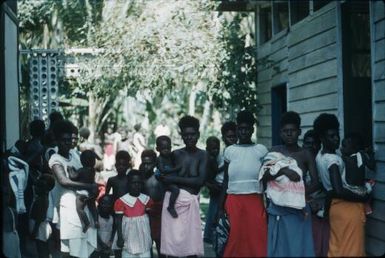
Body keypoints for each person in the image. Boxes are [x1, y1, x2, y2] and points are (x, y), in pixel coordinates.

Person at [314, 113, 369, 256]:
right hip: (347, 208)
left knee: (337, 249)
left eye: (337, 134)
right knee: (353, 250)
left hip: (334, 208)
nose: (336, 138)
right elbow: (338, 190)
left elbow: (329, 187)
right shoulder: (333, 160)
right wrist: (362, 198)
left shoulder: (320, 156)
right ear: (321, 138)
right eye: (331, 136)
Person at [217, 111, 268, 257]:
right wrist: (220, 207)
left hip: (255, 200)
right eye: (241, 128)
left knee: (257, 238)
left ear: (252, 129)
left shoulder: (261, 150)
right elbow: (226, 181)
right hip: (233, 201)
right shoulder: (230, 151)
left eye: (247, 128)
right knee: (235, 239)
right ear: (237, 129)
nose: (244, 131)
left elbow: (266, 180)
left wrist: (268, 205)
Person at [158, 115, 207, 257]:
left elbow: (199, 181)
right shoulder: (175, 154)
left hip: (190, 202)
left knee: (191, 249)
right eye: (186, 135)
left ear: (198, 134)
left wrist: (174, 178)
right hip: (172, 202)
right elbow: (164, 175)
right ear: (182, 136)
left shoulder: (203, 155)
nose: (189, 138)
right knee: (172, 248)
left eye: (192, 134)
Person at [49, 120, 98, 258]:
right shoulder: (55, 159)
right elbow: (64, 181)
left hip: (83, 201)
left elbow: (87, 173)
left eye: (69, 139)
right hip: (69, 206)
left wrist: (92, 189)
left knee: (85, 246)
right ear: (57, 140)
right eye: (63, 140)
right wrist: (89, 186)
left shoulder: (76, 155)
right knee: (73, 247)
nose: (67, 143)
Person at [113, 170, 153, 258]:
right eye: (133, 183)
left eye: (139, 183)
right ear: (128, 184)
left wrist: (151, 234)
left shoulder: (146, 200)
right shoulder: (121, 201)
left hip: (143, 235)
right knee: (128, 254)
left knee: (145, 254)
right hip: (128, 235)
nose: (136, 185)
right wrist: (120, 237)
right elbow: (118, 220)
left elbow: (150, 219)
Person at [303, 129, 329, 257]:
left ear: (319, 145)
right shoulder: (300, 163)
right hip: (303, 211)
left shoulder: (322, 162)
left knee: (320, 247)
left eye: (314, 143)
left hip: (321, 210)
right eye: (307, 143)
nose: (311, 146)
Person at [105, 150, 132, 258]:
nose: (121, 167)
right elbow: (107, 196)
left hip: (128, 212)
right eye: (119, 164)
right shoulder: (112, 180)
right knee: (115, 236)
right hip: (115, 211)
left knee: (127, 237)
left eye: (124, 165)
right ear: (115, 165)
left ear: (128, 166)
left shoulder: (130, 179)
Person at [341, 133, 375, 214]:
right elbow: (371, 166)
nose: (341, 148)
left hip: (352, 191)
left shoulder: (348, 158)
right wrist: (370, 154)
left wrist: (343, 154)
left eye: (344, 146)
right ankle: (367, 204)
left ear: (354, 147)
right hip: (360, 190)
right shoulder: (361, 155)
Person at [141, 149, 165, 258]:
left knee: (160, 242)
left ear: (155, 163)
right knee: (147, 243)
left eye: (149, 163)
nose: (146, 166)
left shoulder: (158, 178)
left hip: (158, 213)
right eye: (144, 163)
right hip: (145, 214)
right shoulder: (140, 178)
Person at [68, 150, 100, 233]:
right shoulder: (92, 171)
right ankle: (96, 220)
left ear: (82, 161)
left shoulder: (81, 170)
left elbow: (73, 177)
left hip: (82, 193)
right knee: (93, 207)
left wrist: (70, 170)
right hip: (90, 192)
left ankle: (86, 223)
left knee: (79, 209)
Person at [29, 174, 55, 258]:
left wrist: (35, 231)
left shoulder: (41, 200)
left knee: (41, 247)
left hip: (40, 226)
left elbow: (40, 217)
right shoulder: (42, 197)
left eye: (39, 187)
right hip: (41, 226)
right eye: (36, 186)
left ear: (46, 189)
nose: (35, 188)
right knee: (44, 245)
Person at [155, 135, 182, 218]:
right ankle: (170, 206)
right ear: (158, 149)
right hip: (164, 180)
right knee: (175, 190)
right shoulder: (160, 159)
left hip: (170, 178)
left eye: (168, 148)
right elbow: (162, 170)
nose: (166, 151)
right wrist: (175, 169)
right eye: (163, 149)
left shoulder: (171, 156)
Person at [203, 136, 221, 244]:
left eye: (217, 148)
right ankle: (209, 235)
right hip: (212, 184)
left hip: (214, 186)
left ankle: (210, 235)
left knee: (213, 212)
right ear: (207, 149)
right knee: (213, 213)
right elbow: (213, 172)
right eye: (212, 149)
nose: (215, 151)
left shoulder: (216, 158)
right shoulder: (208, 159)